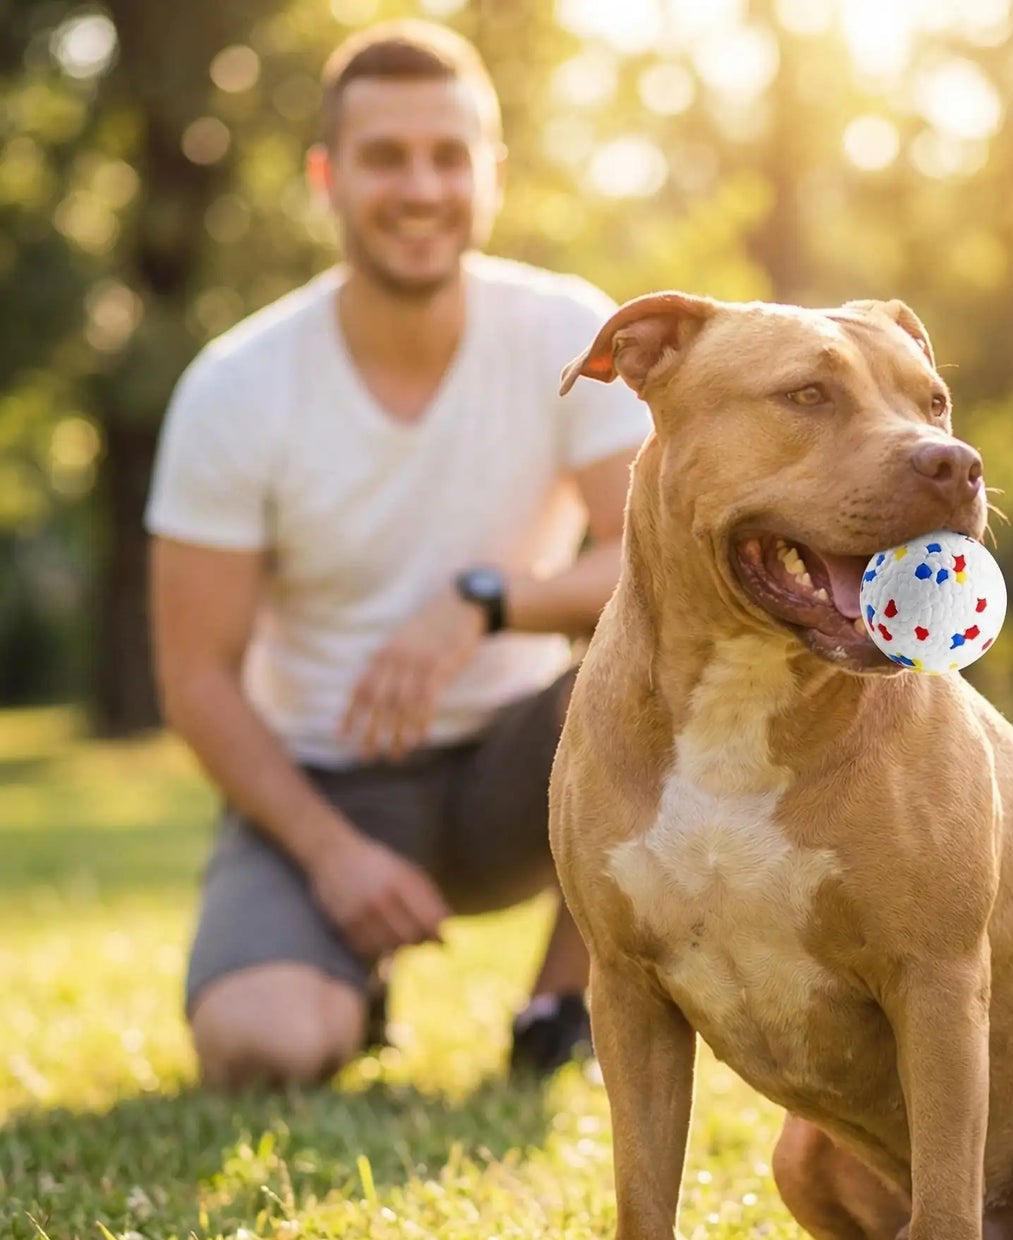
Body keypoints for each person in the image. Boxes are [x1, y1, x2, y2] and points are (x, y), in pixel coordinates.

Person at [145, 19, 650, 1089]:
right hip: (326, 781)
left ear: (492, 176)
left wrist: (484, 600)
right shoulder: (235, 387)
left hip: (531, 769)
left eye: (447, 155)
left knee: (668, 661)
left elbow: (656, 567)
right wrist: (330, 854)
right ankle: (346, 977)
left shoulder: (568, 329)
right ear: (327, 177)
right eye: (384, 157)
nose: (419, 187)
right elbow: (195, 676)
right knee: (259, 1046)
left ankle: (563, 1004)